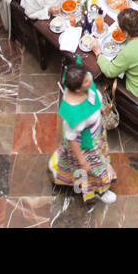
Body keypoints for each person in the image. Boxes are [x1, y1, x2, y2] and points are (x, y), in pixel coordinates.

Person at [49, 63, 117, 204]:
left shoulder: (86, 84)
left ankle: (56, 165)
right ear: (78, 90)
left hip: (95, 136)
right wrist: (82, 160)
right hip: (85, 147)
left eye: (88, 76)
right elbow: (71, 138)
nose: (90, 80)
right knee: (95, 170)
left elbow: (93, 98)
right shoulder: (75, 115)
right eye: (86, 81)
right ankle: (100, 191)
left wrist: (100, 109)